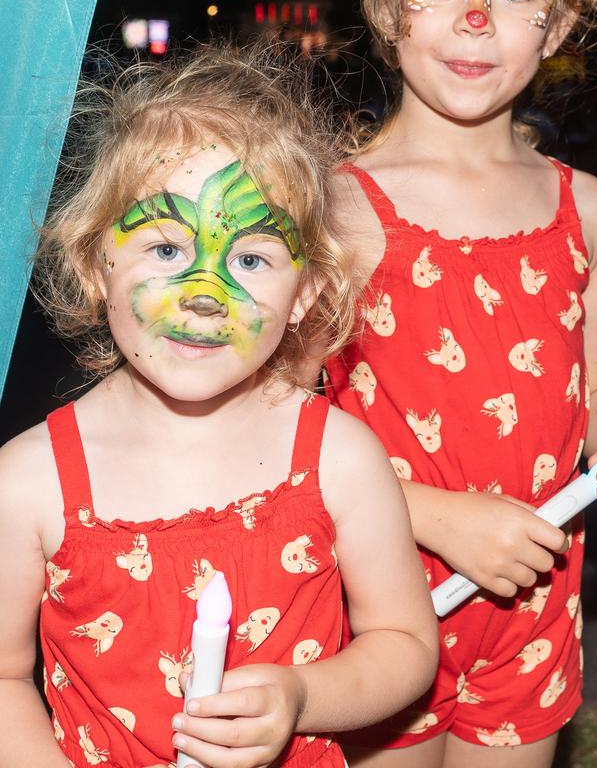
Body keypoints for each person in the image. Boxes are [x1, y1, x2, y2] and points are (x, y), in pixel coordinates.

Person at [0, 42, 439, 768]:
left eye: (251, 259)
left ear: (304, 296)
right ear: (91, 263)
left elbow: (407, 646)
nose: (205, 293)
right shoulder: (27, 482)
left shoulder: (337, 456)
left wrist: (303, 695)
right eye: (167, 248)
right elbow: (7, 677)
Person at [324, 0, 597, 768]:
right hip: (376, 601)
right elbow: (278, 435)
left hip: (535, 604)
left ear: (558, 23)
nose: (475, 17)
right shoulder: (337, 208)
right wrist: (434, 516)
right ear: (389, 7)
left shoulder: (584, 208)